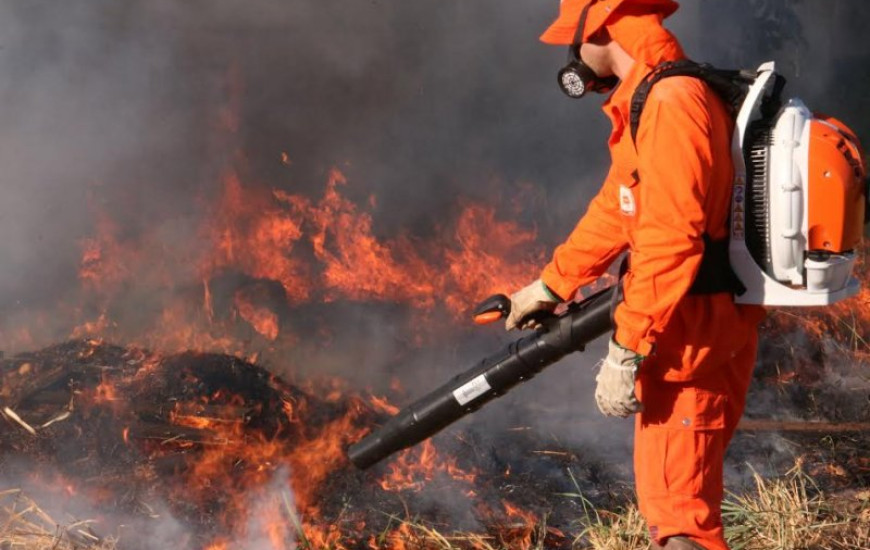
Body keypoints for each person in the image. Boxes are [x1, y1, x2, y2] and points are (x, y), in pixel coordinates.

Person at [505, 1, 766, 549]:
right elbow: (618, 207)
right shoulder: (654, 97)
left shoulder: (672, 102)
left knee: (680, 525)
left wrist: (627, 346)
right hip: (685, 336)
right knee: (672, 507)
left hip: (692, 340)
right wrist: (551, 285)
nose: (572, 57)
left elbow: (671, 239)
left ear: (597, 30)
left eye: (572, 43)